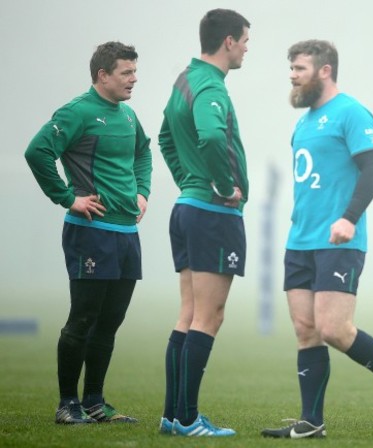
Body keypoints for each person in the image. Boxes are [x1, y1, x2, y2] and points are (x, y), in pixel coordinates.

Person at [261, 40, 373, 439]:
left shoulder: (351, 112)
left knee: (334, 329)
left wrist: (349, 218)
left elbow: (372, 171)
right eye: (291, 69)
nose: (293, 75)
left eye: (299, 68)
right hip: (300, 241)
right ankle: (311, 421)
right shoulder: (304, 122)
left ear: (325, 70)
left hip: (339, 240)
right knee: (305, 329)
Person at [24, 41, 152, 424]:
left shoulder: (128, 116)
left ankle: (95, 401)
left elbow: (144, 152)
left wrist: (142, 193)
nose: (134, 79)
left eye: (134, 71)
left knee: (111, 320)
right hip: (90, 232)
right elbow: (37, 151)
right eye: (126, 72)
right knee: (83, 317)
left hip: (126, 233)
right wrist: (67, 198)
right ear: (103, 75)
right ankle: (68, 404)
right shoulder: (78, 111)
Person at [157, 8, 250, 438]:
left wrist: (188, 181)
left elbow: (164, 139)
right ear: (228, 41)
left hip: (187, 208)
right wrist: (221, 183)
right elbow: (212, 137)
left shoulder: (183, 81)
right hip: (213, 213)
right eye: (245, 40)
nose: (247, 48)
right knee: (208, 316)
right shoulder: (211, 86)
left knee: (189, 313)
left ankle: (173, 417)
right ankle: (190, 419)